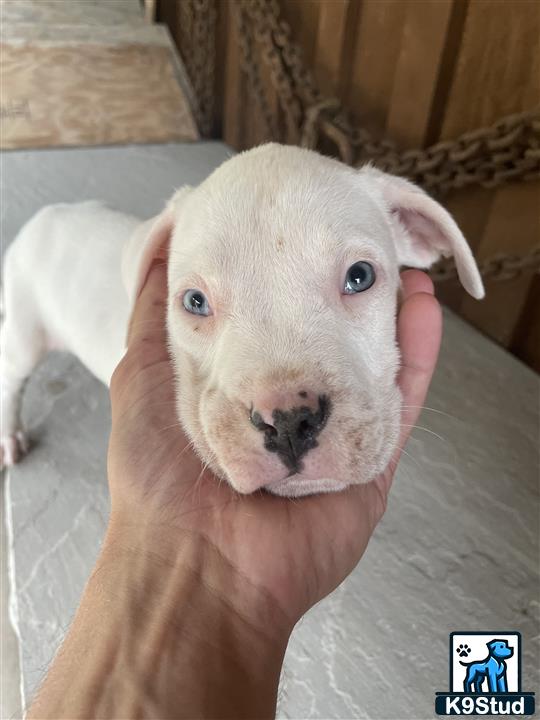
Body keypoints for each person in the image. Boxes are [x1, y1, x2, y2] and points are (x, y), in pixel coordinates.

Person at [28, 259, 441, 720]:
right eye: (197, 303)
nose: (287, 414)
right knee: (13, 360)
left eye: (356, 278)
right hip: (41, 260)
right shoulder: (58, 255)